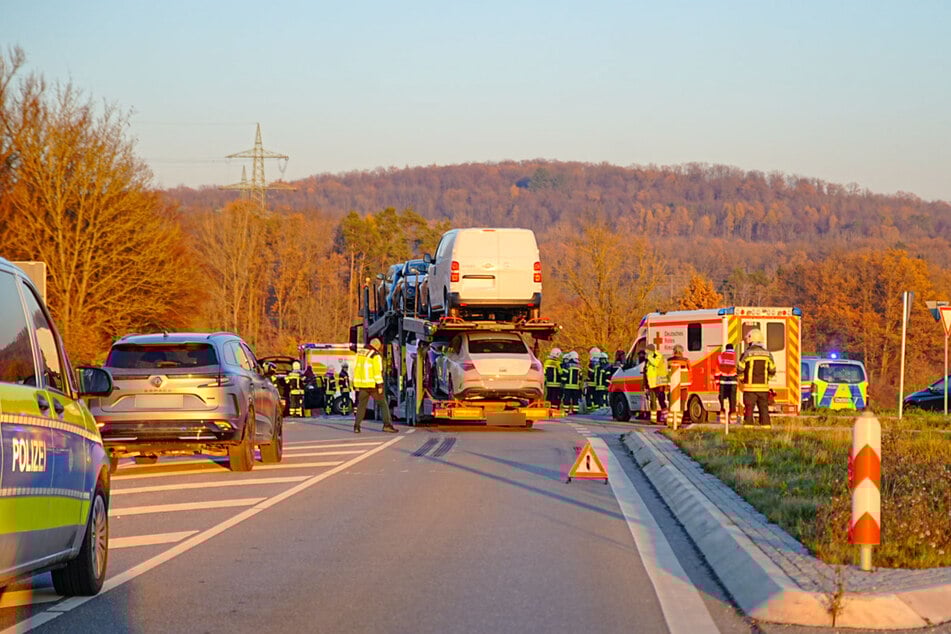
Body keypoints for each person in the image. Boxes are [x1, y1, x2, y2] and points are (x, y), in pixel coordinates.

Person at [353, 338, 397, 433]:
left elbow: (356, 369)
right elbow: (377, 372)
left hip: (362, 385)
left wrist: (356, 384)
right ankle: (387, 425)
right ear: (377, 346)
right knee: (383, 404)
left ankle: (356, 426)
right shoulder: (375, 356)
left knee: (361, 406)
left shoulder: (359, 354)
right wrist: (380, 385)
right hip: (373, 385)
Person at [737, 329, 776, 426]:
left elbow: (740, 368)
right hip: (763, 388)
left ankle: (748, 431)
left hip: (750, 388)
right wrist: (767, 379)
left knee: (749, 410)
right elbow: (772, 370)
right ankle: (766, 429)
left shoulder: (747, 353)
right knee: (764, 410)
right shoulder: (768, 354)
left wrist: (742, 379)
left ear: (751, 340)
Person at [667, 344, 691, 424]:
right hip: (683, 386)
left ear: (674, 351)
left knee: (671, 406)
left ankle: (670, 422)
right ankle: (678, 422)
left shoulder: (669, 361)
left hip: (672, 387)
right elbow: (690, 371)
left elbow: (667, 374)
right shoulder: (686, 361)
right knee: (681, 405)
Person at [714, 343, 738, 424]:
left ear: (726, 348)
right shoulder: (736, 356)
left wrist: (717, 381)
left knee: (722, 399)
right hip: (733, 380)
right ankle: (733, 418)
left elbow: (717, 370)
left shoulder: (720, 356)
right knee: (732, 399)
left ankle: (723, 417)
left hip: (723, 381)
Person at [644, 344, 668, 423]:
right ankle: (653, 420)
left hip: (659, 383)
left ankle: (666, 418)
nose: (647, 353)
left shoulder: (659, 356)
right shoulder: (648, 360)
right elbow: (646, 371)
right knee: (652, 402)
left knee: (661, 400)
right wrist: (646, 385)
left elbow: (656, 363)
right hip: (652, 383)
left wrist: (649, 357)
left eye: (648, 351)